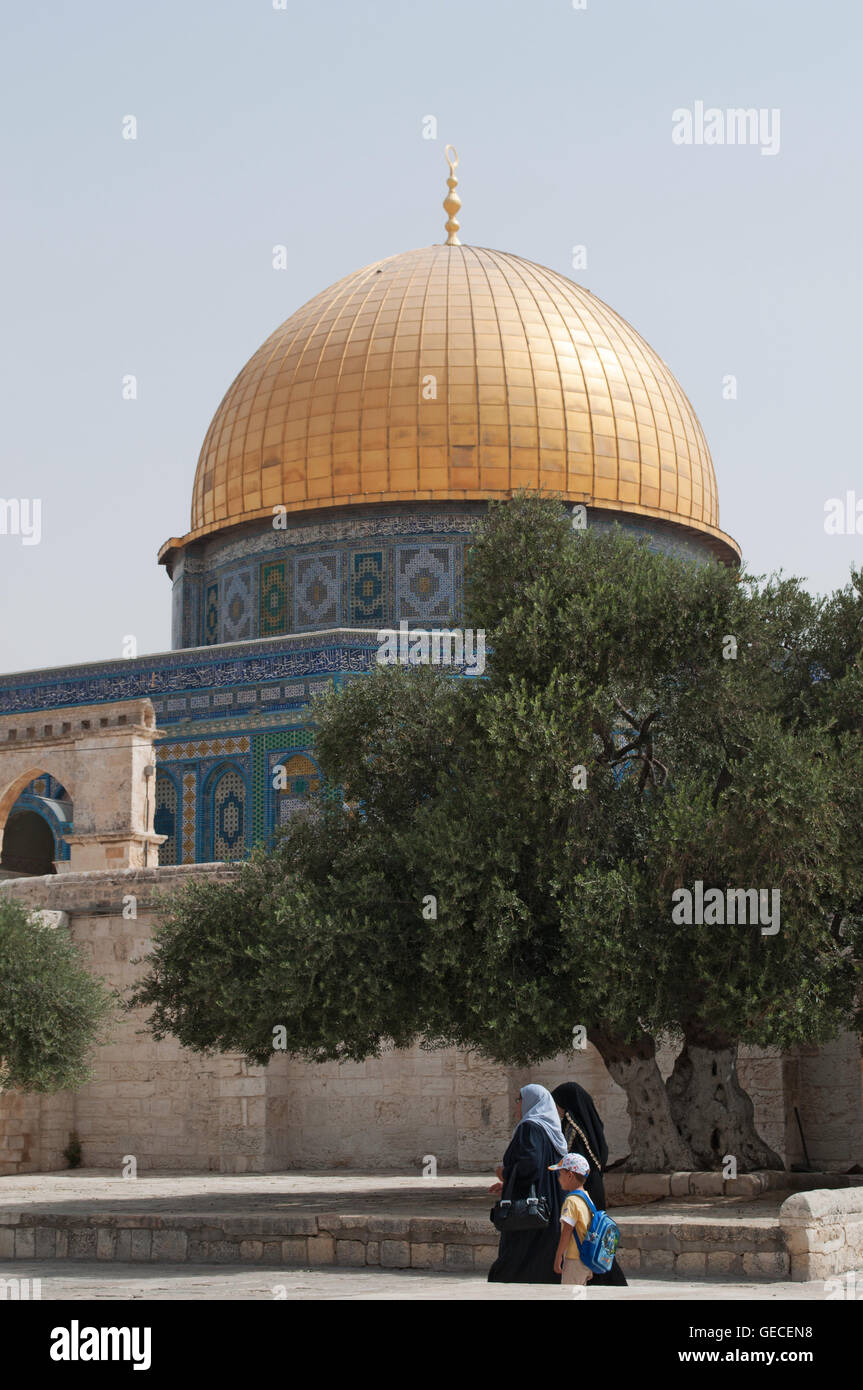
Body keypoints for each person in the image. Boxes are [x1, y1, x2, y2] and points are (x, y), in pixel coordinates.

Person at [487, 1083, 567, 1283]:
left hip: (529, 1209)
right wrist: (509, 1185)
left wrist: (504, 1173)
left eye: (519, 1100)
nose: (517, 1105)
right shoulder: (550, 1130)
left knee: (515, 1260)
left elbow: (530, 1166)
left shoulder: (530, 1128)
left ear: (531, 1102)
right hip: (550, 1202)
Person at [551, 1081, 628, 1286]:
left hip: (581, 1189)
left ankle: (607, 1281)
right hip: (594, 1186)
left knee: (587, 1237)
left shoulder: (572, 1128)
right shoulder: (591, 1126)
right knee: (594, 1236)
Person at [549, 1152, 593, 1285]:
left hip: (574, 1258)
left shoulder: (571, 1201)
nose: (558, 1178)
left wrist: (558, 1257)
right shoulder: (586, 1198)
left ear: (570, 1175)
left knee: (570, 1294)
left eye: (560, 1174)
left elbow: (567, 1231)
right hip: (586, 1257)